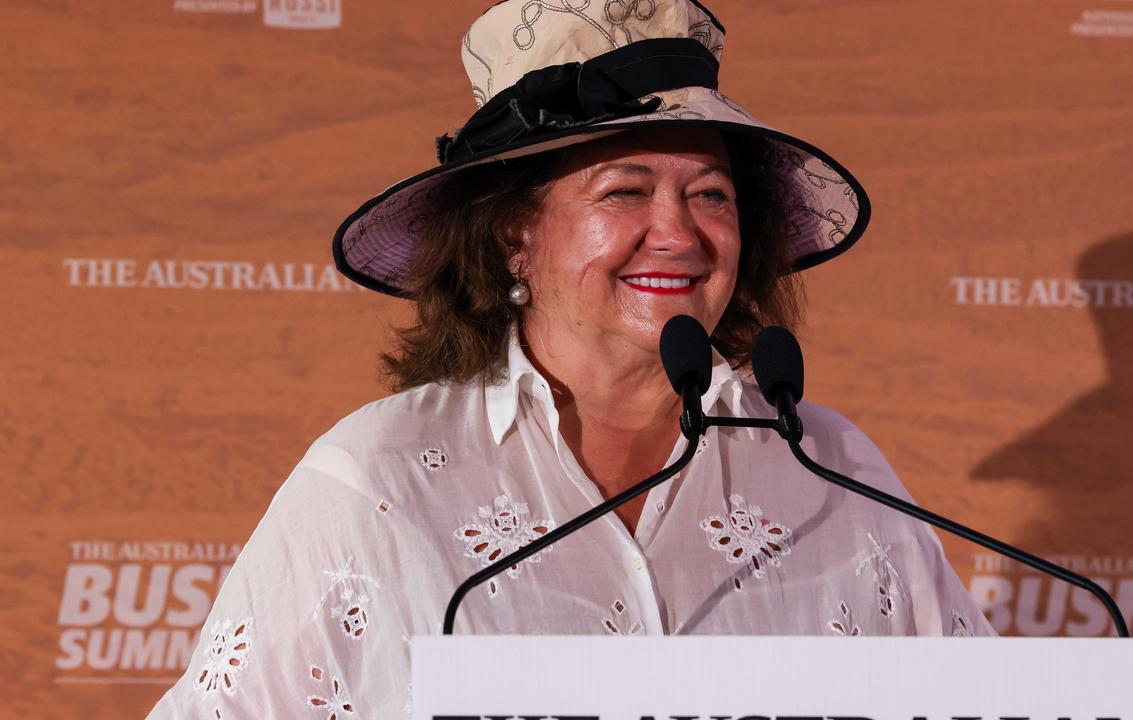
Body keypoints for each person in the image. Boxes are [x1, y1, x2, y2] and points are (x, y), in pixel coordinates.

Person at [147, 1, 992, 717]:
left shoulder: (833, 467)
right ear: (514, 232)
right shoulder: (378, 480)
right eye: (625, 190)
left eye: (710, 194)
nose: (679, 233)